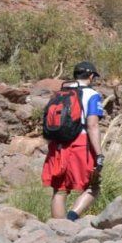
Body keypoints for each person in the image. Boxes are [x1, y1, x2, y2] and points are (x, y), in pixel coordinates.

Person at [41, 61, 105, 221]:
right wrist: (99, 153)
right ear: (91, 76)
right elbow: (92, 125)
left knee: (60, 190)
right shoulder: (92, 95)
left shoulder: (59, 94)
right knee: (93, 186)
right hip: (80, 144)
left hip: (58, 145)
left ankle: (57, 230)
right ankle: (70, 218)